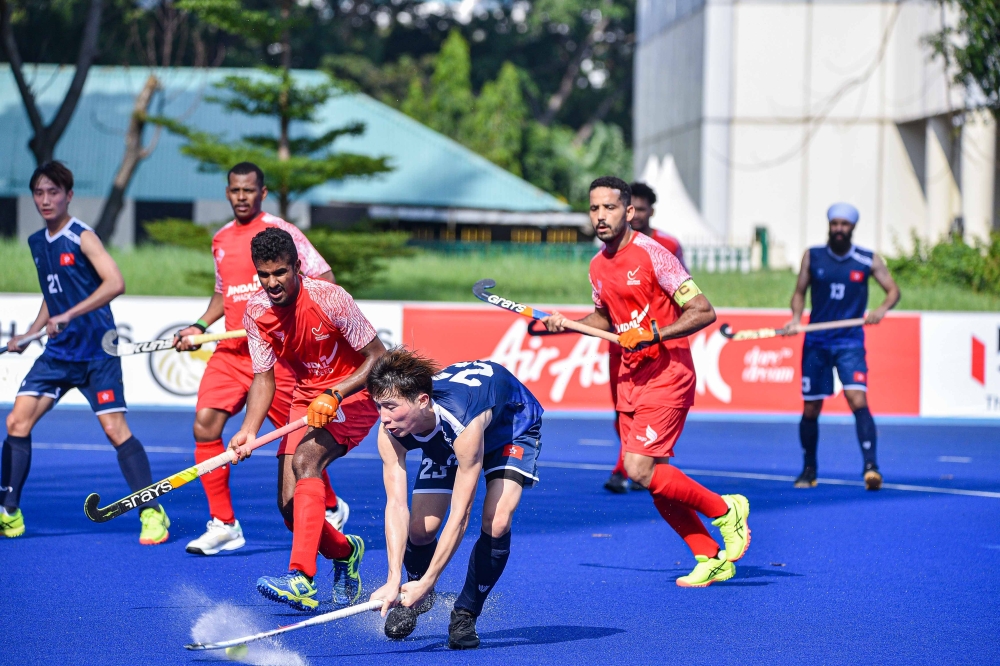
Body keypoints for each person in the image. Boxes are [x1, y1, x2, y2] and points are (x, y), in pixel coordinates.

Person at [544, 176, 750, 588]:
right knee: (655, 478)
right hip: (630, 379)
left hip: (667, 374)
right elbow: (606, 318)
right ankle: (708, 555)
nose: (601, 216)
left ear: (629, 212)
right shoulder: (597, 265)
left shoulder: (655, 254)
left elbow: (703, 311)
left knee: (638, 468)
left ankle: (725, 510)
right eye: (594, 209)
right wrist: (565, 325)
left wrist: (654, 333)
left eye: (610, 208)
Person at [174, 162, 347, 556]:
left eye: (248, 190)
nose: (240, 197)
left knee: (299, 441)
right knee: (205, 425)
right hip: (232, 353)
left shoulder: (283, 233)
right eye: (234, 190)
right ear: (227, 191)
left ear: (262, 193)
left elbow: (325, 280)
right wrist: (200, 325)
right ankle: (224, 524)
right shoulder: (219, 239)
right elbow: (224, 293)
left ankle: (331, 506)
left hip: (276, 358)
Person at [1, 161, 169, 543]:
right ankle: (8, 513)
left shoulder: (82, 236)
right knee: (17, 422)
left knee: (115, 430)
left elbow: (116, 282)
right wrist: (28, 334)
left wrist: (70, 314)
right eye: (39, 193)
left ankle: (152, 512)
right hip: (58, 355)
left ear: (68, 195)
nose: (46, 200)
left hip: (97, 353)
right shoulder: (35, 243)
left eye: (53, 192)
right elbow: (52, 294)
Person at [228, 227, 384, 611]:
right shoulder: (256, 312)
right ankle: (346, 552)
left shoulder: (330, 298)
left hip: (356, 393)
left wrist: (336, 394)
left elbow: (379, 357)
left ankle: (301, 577)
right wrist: (247, 431)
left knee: (305, 462)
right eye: (263, 275)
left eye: (280, 272)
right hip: (306, 396)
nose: (272, 283)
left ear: (297, 267)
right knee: (288, 507)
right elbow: (263, 379)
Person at [367, 350, 543, 649]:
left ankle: (465, 613)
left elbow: (460, 516)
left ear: (422, 400)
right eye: (379, 406)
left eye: (391, 407)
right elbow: (396, 505)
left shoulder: (463, 424)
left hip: (509, 426)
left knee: (497, 521)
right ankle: (413, 596)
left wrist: (429, 581)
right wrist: (393, 577)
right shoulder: (390, 432)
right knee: (421, 530)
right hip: (446, 437)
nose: (383, 418)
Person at [783, 203, 900, 491]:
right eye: (834, 223)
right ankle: (809, 469)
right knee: (811, 408)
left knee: (857, 400)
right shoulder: (813, 256)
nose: (838, 229)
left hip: (849, 341)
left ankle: (871, 467)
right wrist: (796, 318)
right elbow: (799, 292)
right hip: (817, 342)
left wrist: (881, 310)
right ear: (829, 225)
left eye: (844, 225)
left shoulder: (867, 259)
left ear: (852, 228)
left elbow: (893, 291)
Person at [605, 181, 687, 493]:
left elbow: (685, 294)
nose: (636, 214)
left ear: (651, 210)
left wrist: (658, 331)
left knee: (646, 409)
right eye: (632, 208)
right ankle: (635, 466)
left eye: (642, 208)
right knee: (622, 410)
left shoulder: (667, 244)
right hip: (621, 344)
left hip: (657, 344)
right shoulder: (609, 250)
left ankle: (625, 468)